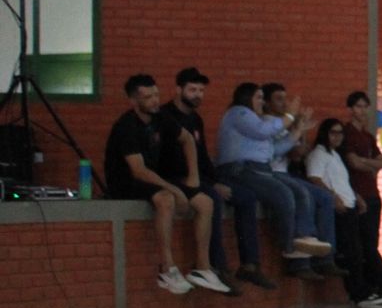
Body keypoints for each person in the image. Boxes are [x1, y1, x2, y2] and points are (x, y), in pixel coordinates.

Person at [103, 74, 228, 295]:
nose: (154, 100)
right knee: (166, 199)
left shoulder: (161, 118)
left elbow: (187, 139)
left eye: (156, 95)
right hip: (126, 181)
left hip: (153, 177)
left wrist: (193, 177)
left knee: (206, 202)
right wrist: (174, 189)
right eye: (148, 97)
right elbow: (139, 171)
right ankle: (167, 268)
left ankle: (202, 268)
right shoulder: (126, 127)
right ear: (134, 101)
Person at [215, 82, 332, 276]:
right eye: (258, 98)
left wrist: (297, 130)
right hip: (240, 169)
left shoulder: (257, 121)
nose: (261, 102)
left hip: (260, 168)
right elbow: (263, 131)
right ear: (246, 98)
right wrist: (290, 116)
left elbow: (274, 150)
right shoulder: (239, 113)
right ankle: (289, 245)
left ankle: (304, 236)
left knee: (300, 192)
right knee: (283, 193)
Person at [153, 66, 252, 293]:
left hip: (197, 177)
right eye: (192, 89)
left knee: (246, 196)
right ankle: (214, 266)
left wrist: (215, 179)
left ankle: (249, 263)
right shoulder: (165, 117)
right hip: (173, 176)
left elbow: (203, 155)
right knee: (212, 199)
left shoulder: (196, 119)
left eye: (201, 90)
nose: (198, 94)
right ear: (178, 90)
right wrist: (206, 185)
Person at [263, 82, 336, 267]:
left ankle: (326, 258)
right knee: (304, 195)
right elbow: (284, 151)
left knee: (326, 198)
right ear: (266, 103)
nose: (283, 103)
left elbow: (298, 155)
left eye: (284, 99)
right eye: (278, 99)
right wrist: (295, 125)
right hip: (270, 173)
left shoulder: (286, 126)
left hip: (286, 173)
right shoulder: (266, 123)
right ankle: (301, 257)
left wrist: (300, 129)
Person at [341, 92, 382, 299]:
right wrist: (369, 163)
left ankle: (376, 284)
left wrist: (365, 162)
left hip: (373, 193)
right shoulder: (347, 133)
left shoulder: (368, 136)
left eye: (365, 107)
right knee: (364, 243)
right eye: (358, 107)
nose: (363, 111)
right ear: (350, 109)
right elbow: (353, 163)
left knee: (371, 242)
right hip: (357, 194)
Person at [306, 118, 373, 303]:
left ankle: (363, 289)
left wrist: (357, 197)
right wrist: (334, 197)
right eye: (333, 133)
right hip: (338, 208)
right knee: (350, 252)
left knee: (358, 250)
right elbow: (315, 179)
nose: (337, 137)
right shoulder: (318, 154)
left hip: (350, 205)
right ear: (324, 134)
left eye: (340, 133)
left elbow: (343, 182)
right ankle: (357, 293)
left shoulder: (335, 155)